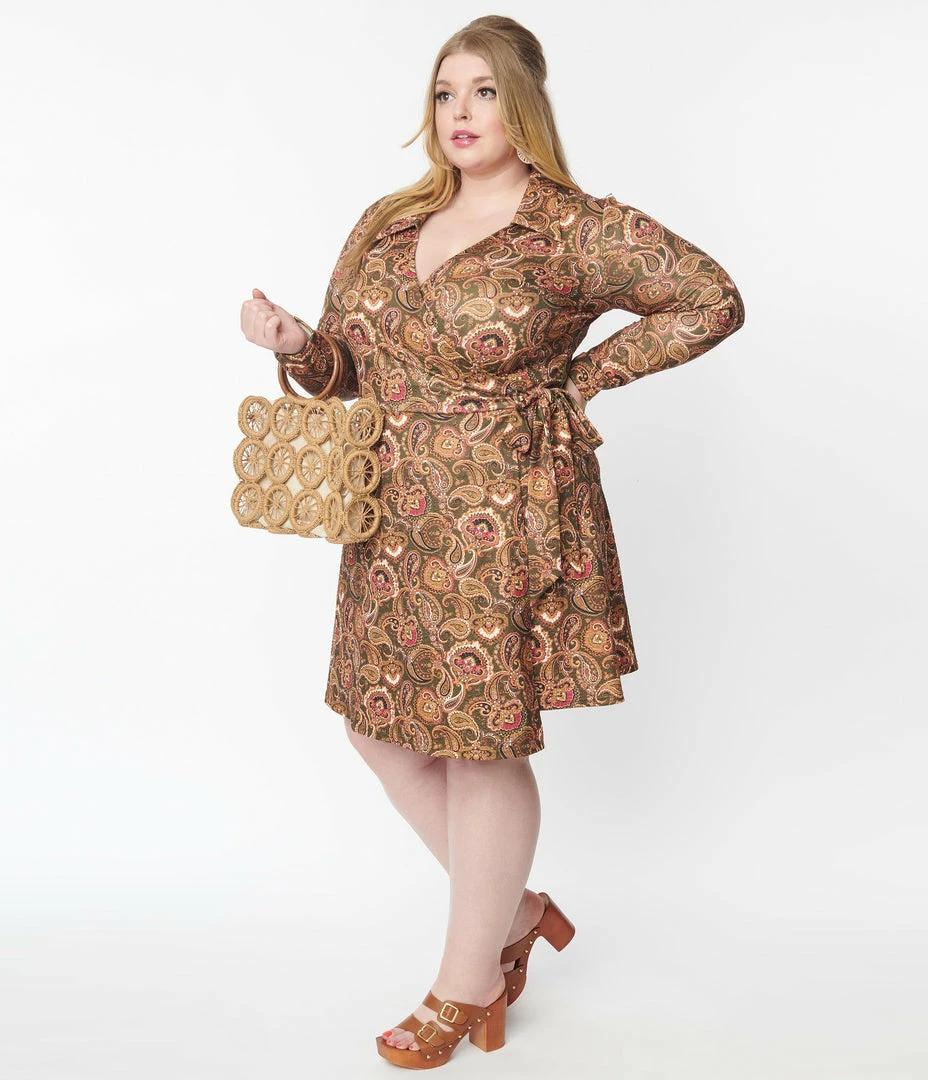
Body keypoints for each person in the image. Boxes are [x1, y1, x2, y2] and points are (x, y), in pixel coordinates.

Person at [239, 14, 744, 1069]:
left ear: (523, 106)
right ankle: (512, 916)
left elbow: (710, 299)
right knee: (381, 732)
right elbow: (349, 372)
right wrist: (298, 345)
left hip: (503, 514)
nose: (459, 114)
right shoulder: (389, 221)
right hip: (391, 515)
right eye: (443, 93)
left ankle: (465, 982)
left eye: (482, 92)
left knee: (480, 742)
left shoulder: (571, 229)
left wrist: (579, 380)